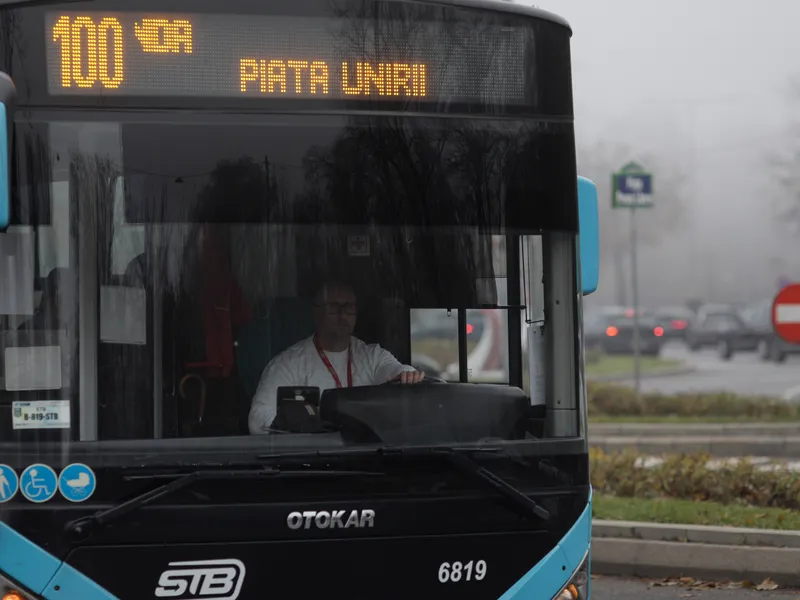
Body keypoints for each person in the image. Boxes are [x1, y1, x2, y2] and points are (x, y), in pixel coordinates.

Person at [248, 280, 424, 434]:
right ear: (316, 313)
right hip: (314, 462)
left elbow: (395, 371)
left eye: (349, 307)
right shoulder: (288, 363)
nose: (343, 315)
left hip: (366, 458)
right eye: (333, 307)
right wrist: (294, 422)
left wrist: (407, 374)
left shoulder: (372, 355)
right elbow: (257, 419)